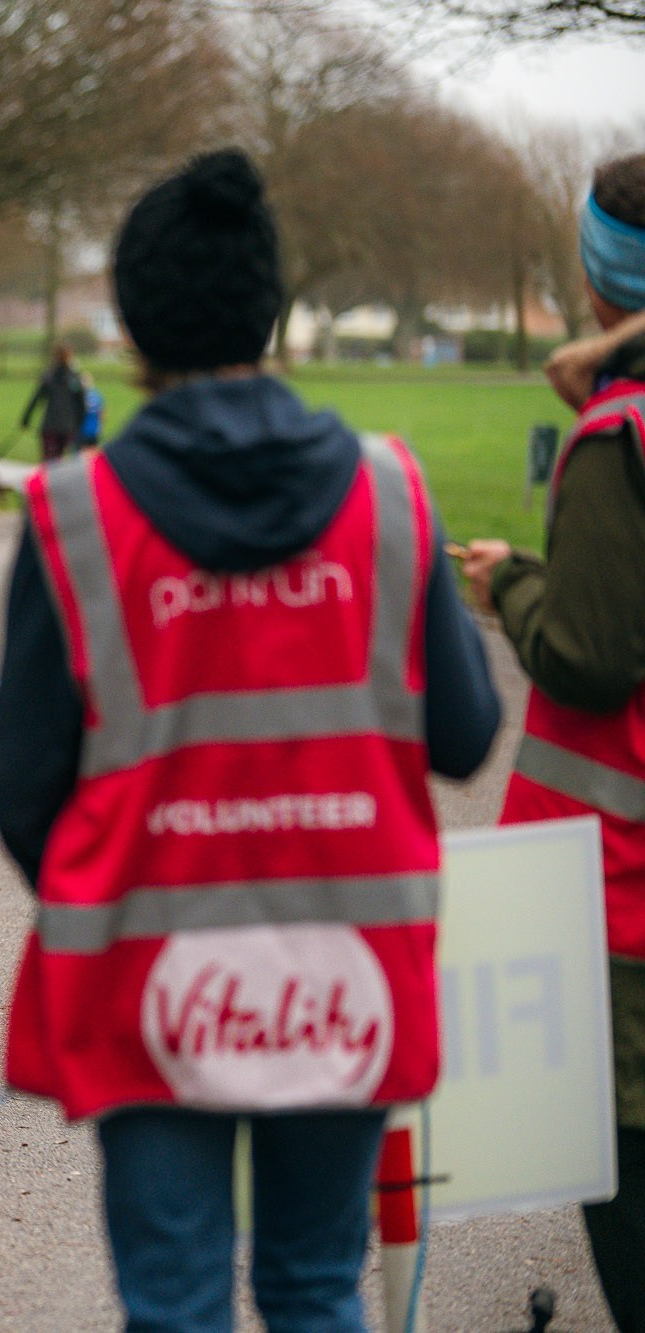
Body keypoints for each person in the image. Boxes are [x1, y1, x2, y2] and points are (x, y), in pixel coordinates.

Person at [0, 151, 500, 1332]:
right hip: (350, 967)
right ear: (267, 309)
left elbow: (22, 792)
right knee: (317, 1287)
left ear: (127, 321)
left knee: (173, 1303)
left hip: (146, 966)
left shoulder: (72, 512)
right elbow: (468, 735)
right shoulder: (387, 493)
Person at [457, 151, 645, 1333]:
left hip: (616, 888)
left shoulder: (613, 442)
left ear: (591, 278)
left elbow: (584, 653)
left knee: (618, 1190)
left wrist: (510, 584)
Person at [21, 342, 86, 464]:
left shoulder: (49, 376)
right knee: (61, 462)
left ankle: (48, 481)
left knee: (49, 461)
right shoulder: (74, 377)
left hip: (50, 425)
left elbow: (36, 398)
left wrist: (26, 418)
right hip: (67, 426)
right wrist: (79, 423)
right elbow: (81, 404)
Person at [76, 370, 104, 453]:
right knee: (90, 456)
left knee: (83, 456)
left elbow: (101, 413)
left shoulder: (79, 396)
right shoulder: (97, 395)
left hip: (86, 431)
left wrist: (100, 427)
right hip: (86, 430)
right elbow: (102, 413)